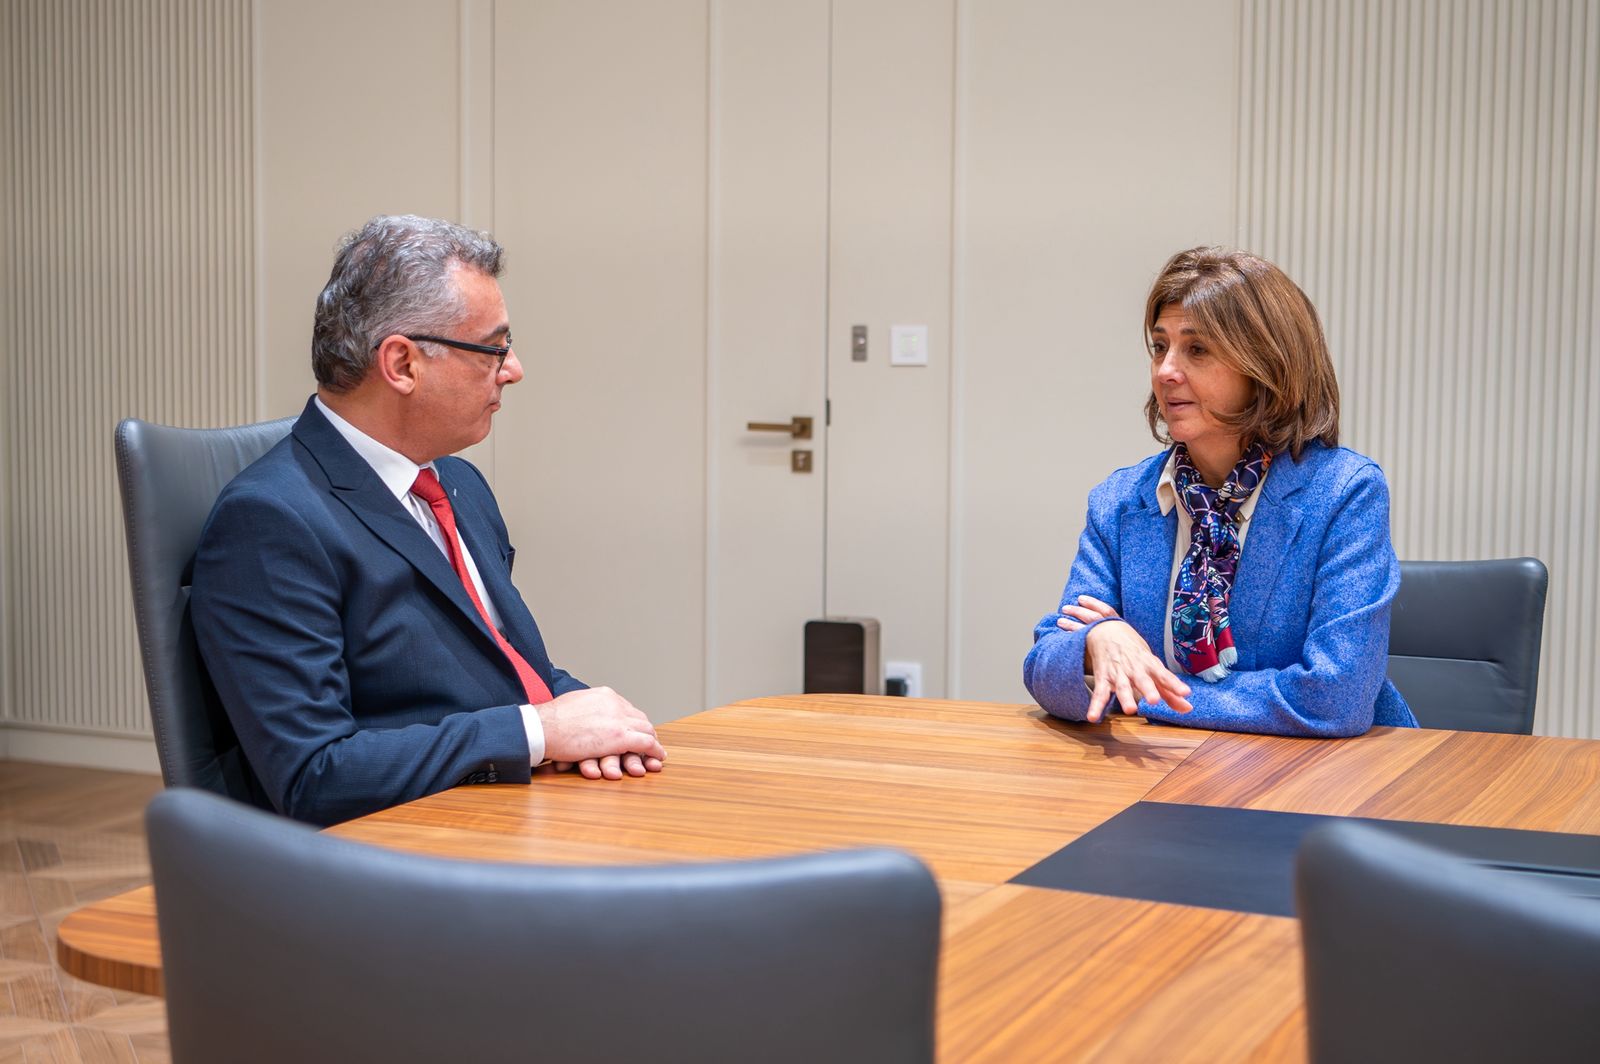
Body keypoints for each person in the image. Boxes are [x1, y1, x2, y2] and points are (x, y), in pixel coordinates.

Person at [192, 215, 665, 825]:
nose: (513, 369)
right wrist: (540, 732)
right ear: (402, 364)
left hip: (503, 806)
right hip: (401, 850)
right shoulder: (268, 522)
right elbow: (315, 774)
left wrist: (592, 715)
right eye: (494, 348)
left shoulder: (457, 483)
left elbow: (500, 663)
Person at [1023, 247, 1417, 737]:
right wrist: (1095, 639)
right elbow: (1045, 661)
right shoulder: (1121, 499)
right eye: (1159, 346)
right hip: (1166, 768)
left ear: (1265, 365)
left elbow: (1335, 699)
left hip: (1329, 774)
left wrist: (1152, 694)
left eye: (1197, 349)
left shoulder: (1343, 493)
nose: (1165, 371)